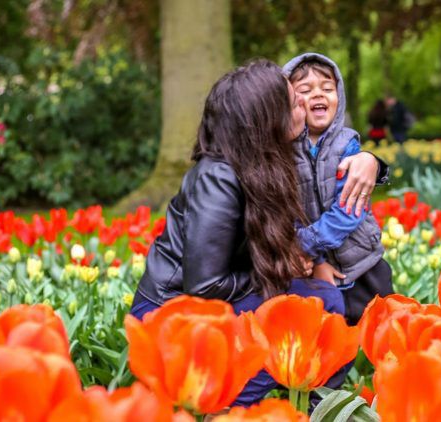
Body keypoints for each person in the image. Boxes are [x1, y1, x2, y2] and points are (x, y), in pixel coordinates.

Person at [129, 60, 348, 407]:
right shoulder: (218, 179)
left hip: (217, 298)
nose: (303, 105)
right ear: (267, 121)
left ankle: (297, 406)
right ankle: (227, 405)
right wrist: (281, 269)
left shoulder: (265, 163)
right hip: (172, 314)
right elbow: (202, 286)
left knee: (323, 304)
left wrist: (371, 162)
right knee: (312, 310)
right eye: (293, 102)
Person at [283, 53, 394, 327]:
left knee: (380, 330)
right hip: (315, 269)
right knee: (331, 333)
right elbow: (288, 211)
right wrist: (315, 259)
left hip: (362, 262)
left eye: (327, 88)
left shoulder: (347, 144)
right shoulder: (283, 152)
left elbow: (350, 209)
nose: (318, 95)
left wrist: (306, 244)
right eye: (305, 90)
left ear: (339, 95)